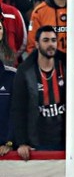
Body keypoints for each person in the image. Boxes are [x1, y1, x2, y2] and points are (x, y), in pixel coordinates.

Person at [10, 26, 67, 158]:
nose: (50, 44)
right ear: (36, 44)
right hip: (37, 143)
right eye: (46, 40)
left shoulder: (66, 66)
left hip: (65, 140)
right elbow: (18, 109)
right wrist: (22, 142)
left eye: (53, 40)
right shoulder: (25, 71)